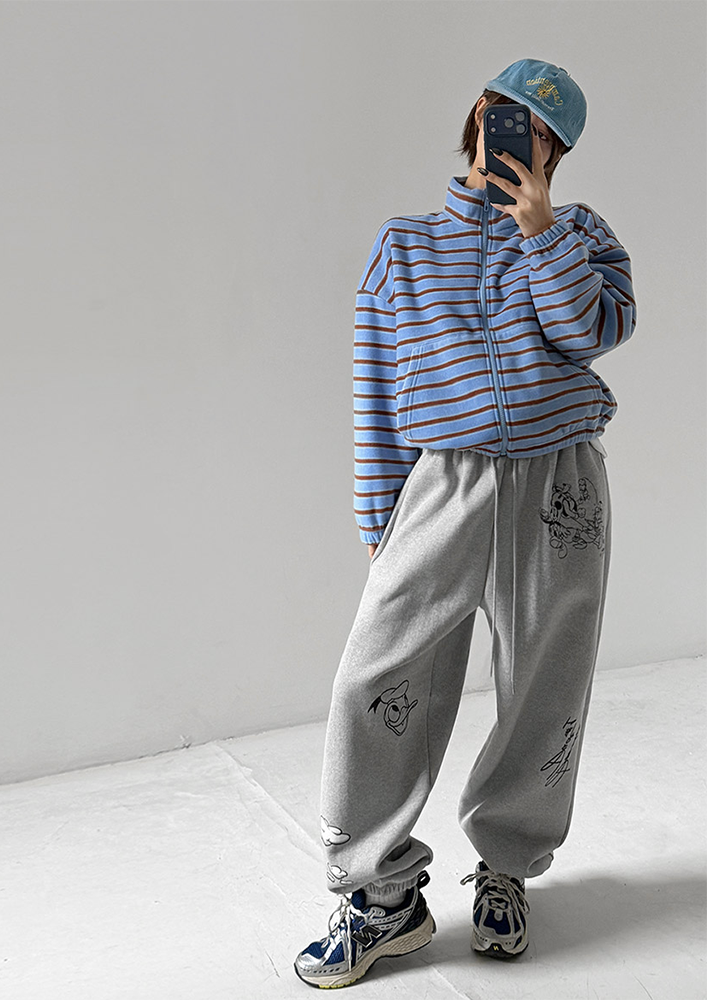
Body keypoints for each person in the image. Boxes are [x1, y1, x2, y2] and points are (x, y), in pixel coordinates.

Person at [293, 58, 637, 988]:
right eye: (507, 115)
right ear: (478, 117)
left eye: (543, 133)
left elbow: (595, 332)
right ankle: (381, 896)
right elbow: (375, 382)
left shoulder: (580, 236)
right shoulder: (403, 246)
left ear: (556, 154)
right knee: (376, 677)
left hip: (558, 489)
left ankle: (506, 867)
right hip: (440, 487)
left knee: (545, 684)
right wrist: (379, 511)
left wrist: (541, 234)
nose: (519, 137)